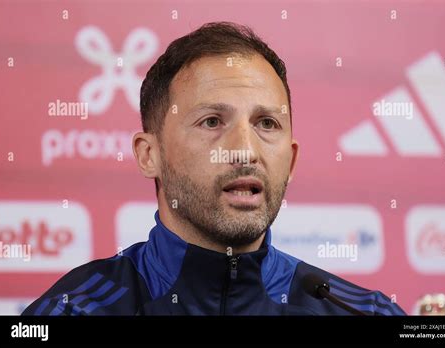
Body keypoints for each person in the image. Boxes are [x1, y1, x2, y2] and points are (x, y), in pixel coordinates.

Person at [23, 22, 405, 315]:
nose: (244, 150)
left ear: (290, 160)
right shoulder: (71, 310)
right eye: (211, 122)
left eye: (266, 124)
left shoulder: (368, 313)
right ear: (147, 154)